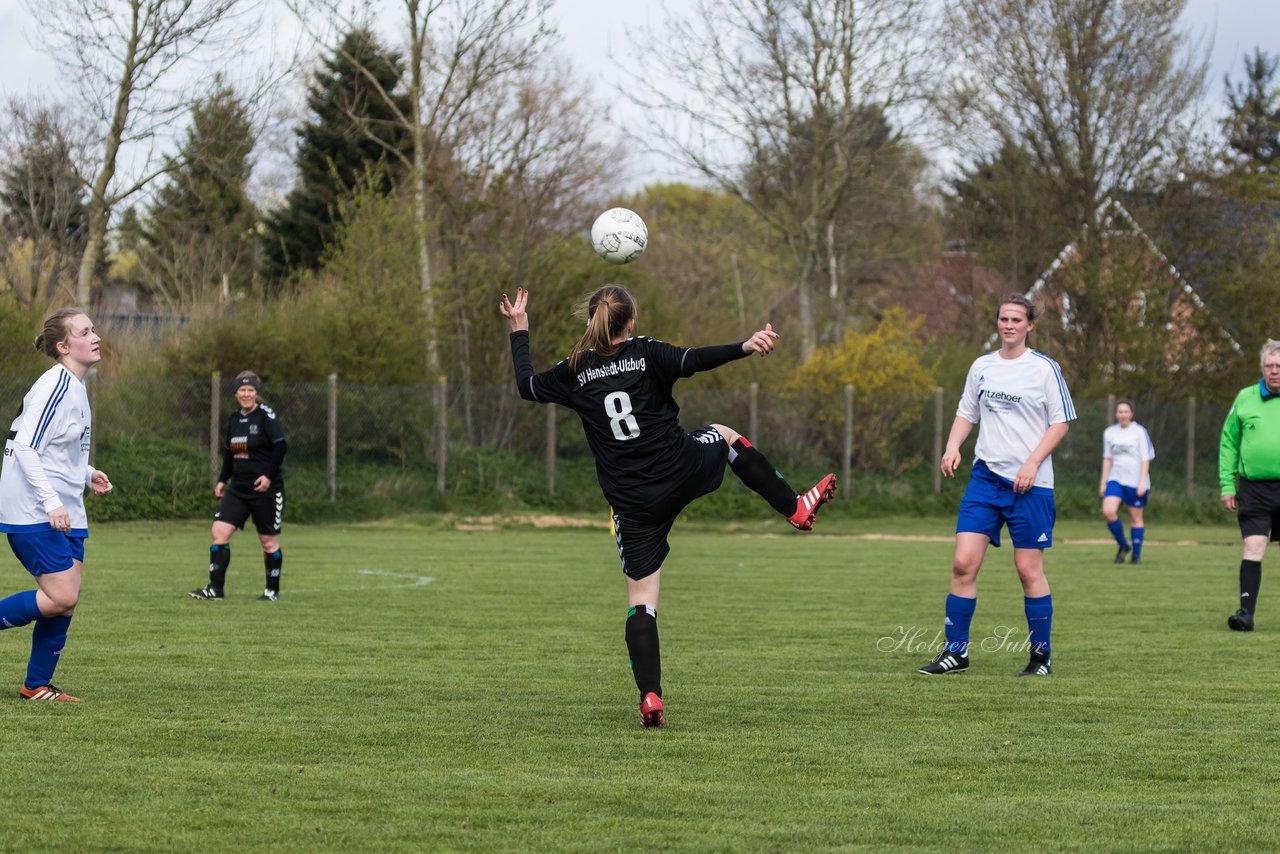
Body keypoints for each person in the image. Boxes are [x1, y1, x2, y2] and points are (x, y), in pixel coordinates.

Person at [499, 285, 836, 727]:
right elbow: (695, 359)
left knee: (642, 601)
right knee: (725, 435)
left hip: (633, 504)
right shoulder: (646, 351)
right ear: (631, 323)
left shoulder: (575, 370)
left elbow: (526, 387)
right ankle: (794, 506)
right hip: (680, 469)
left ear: (591, 321)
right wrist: (745, 346)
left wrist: (519, 329)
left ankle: (651, 698)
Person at [918, 294, 1076, 677]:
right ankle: (956, 653)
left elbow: (1062, 422)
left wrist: (1032, 463)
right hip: (986, 480)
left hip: (1031, 485)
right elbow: (966, 412)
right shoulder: (982, 366)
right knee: (962, 564)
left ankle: (1041, 658)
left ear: (1030, 325)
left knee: (1027, 570)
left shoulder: (1044, 369)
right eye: (1003, 318)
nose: (1009, 325)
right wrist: (953, 446)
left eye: (1016, 319)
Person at [0, 308, 113, 701]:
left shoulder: (76, 387)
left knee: (64, 602)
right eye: (85, 331)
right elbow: (25, 447)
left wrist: (86, 473)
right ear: (64, 346)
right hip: (34, 509)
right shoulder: (55, 386)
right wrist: (50, 502)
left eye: (94, 329)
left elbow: (56, 451)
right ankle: (35, 684)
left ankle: (36, 685)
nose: (96, 336)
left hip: (66, 507)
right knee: (61, 595)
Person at [190, 371, 287, 602]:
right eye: (242, 390)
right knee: (219, 532)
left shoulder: (266, 416)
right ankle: (216, 589)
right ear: (235, 394)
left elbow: (280, 446)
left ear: (256, 393)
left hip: (265, 489)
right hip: (239, 488)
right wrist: (223, 480)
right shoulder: (235, 419)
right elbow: (230, 453)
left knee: (268, 541)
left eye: (250, 390)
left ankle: (271, 591)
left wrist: (268, 477)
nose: (246, 394)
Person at [1218, 339, 1280, 632]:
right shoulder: (1245, 398)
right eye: (1269, 366)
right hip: (1254, 488)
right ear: (1261, 368)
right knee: (1253, 546)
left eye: (1279, 366)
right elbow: (1228, 443)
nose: (1275, 371)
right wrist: (1227, 484)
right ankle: (1246, 613)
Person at [1099, 399, 1154, 564]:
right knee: (1108, 511)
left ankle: (1136, 555)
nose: (1122, 415)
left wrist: (1142, 482)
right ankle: (1123, 545)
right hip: (1116, 479)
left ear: (1131, 414)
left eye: (1126, 411)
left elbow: (1146, 458)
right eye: (1120, 411)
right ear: (1116, 414)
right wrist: (1103, 482)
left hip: (1135, 481)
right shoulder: (1109, 432)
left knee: (1135, 518)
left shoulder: (1139, 432)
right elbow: (1107, 458)